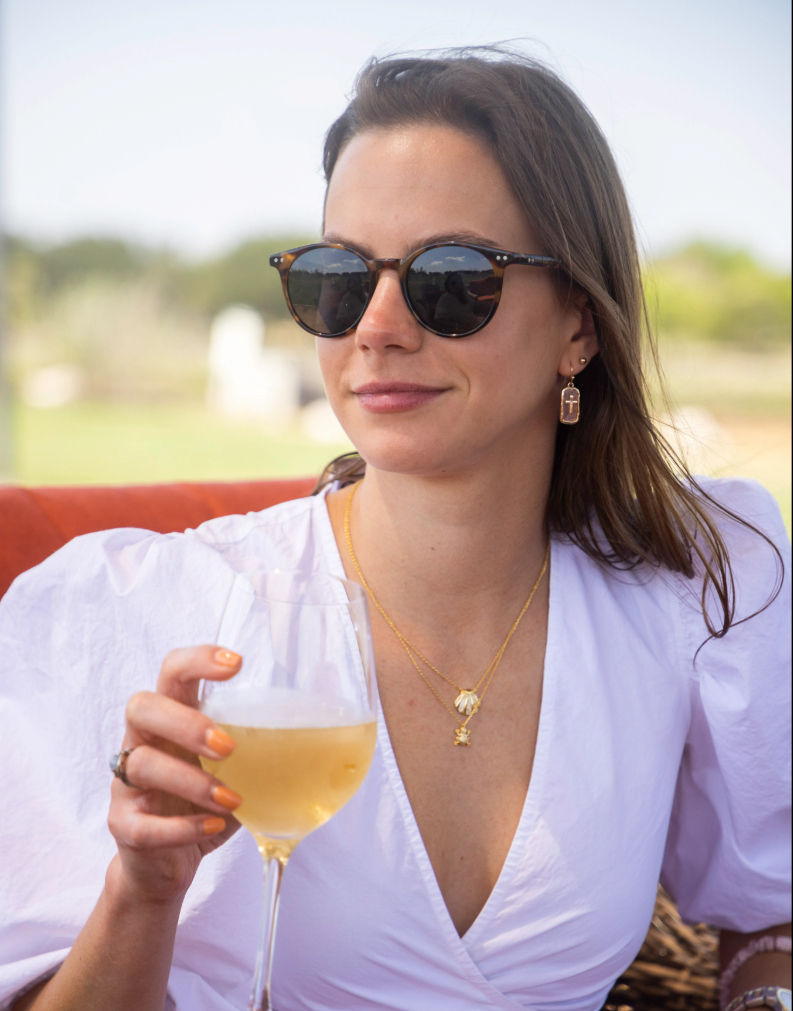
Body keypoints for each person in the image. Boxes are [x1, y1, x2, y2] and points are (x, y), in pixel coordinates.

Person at [1, 47, 790, 1011]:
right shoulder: (143, 612)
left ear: (579, 323)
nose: (373, 326)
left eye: (449, 278)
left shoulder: (700, 584)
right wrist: (140, 890)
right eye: (337, 278)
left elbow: (770, 915)